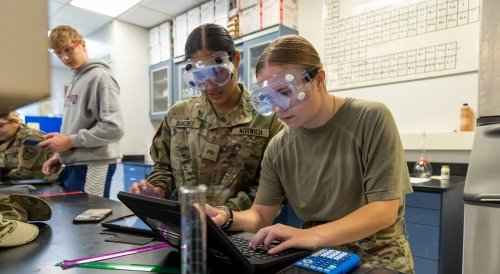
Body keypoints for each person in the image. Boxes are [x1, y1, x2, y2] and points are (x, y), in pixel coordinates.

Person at [206, 35, 415, 273]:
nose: (278, 109)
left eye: (284, 92)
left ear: (319, 79)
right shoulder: (278, 148)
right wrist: (225, 216)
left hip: (378, 250)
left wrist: (311, 235)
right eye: (269, 99)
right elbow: (261, 215)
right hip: (317, 254)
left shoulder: (370, 118)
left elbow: (383, 211)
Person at [129, 23, 284, 211]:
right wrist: (157, 190)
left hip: (241, 232)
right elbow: (163, 168)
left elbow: (269, 187)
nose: (210, 87)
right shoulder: (178, 116)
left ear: (236, 59)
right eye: (199, 77)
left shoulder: (266, 118)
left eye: (218, 72)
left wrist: (225, 214)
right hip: (186, 227)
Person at [39, 25, 124, 198]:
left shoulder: (100, 77)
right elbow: (76, 127)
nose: (64, 57)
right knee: (74, 220)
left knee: (89, 220)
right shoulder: (75, 81)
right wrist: (60, 155)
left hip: (95, 164)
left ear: (82, 44)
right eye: (58, 53)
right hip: (76, 164)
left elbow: (114, 128)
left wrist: (69, 141)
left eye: (68, 49)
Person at [0, 112, 57, 181]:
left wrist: (4, 174)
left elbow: (25, 173)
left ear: (15, 122)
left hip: (40, 185)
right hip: (17, 184)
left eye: (0, 126)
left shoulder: (31, 138)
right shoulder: (7, 137)